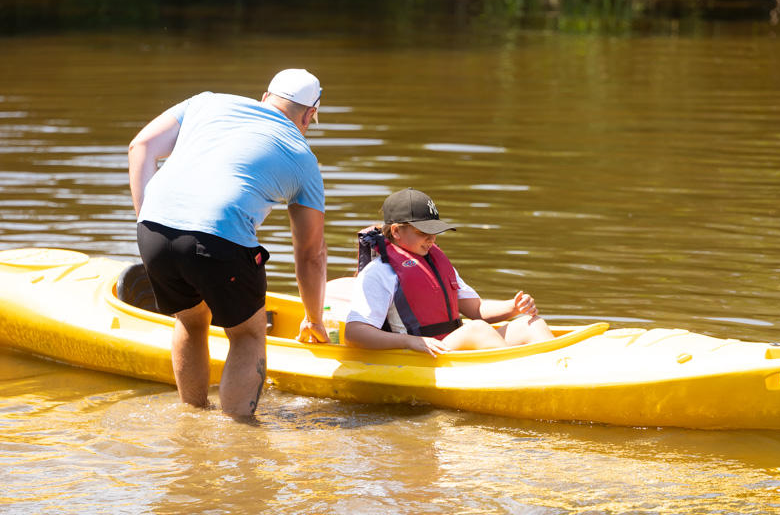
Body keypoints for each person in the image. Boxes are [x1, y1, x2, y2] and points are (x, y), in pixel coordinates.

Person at [128, 68, 328, 416]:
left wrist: (147, 219)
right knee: (248, 335)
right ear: (310, 115)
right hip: (216, 241)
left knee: (191, 320)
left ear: (265, 97)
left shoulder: (205, 102)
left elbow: (140, 146)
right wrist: (314, 318)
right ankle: (239, 437)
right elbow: (310, 255)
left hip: (153, 230)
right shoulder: (303, 158)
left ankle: (192, 419)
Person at [344, 188, 554, 356]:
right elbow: (354, 334)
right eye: (422, 232)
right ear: (397, 231)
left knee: (530, 325)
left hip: (449, 346)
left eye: (434, 232)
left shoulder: (435, 263)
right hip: (415, 353)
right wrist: (411, 341)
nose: (431, 239)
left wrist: (513, 307)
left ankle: (557, 373)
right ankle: (521, 378)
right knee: (477, 329)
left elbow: (476, 309)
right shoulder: (379, 272)